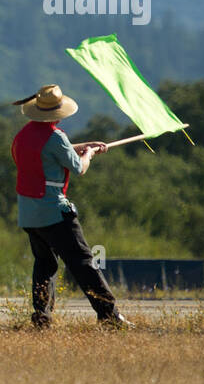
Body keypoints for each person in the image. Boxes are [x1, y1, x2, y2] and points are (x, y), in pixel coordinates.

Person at [10, 84, 130, 330]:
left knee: (45, 264)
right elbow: (78, 168)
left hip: (28, 214)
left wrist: (85, 146)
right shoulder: (56, 137)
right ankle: (109, 316)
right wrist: (89, 155)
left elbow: (50, 153)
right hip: (54, 212)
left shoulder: (23, 135)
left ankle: (42, 317)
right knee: (83, 261)